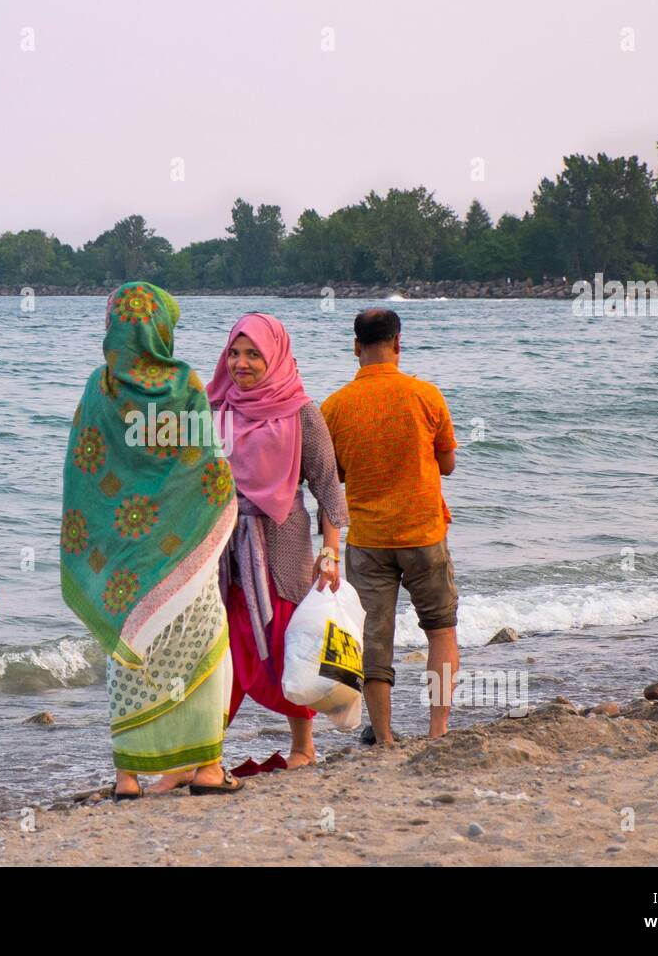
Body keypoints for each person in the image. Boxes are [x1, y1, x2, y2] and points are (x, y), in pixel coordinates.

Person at [60, 281, 243, 798]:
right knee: (201, 641)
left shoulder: (101, 388)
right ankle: (206, 768)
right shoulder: (185, 384)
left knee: (131, 648)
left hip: (122, 552)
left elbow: (84, 473)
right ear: (162, 328)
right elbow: (206, 471)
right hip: (183, 545)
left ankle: (128, 778)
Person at [206, 312, 348, 770]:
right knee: (221, 646)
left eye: (253, 355)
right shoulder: (216, 409)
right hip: (224, 551)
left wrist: (331, 552)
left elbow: (327, 487)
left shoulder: (302, 413)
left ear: (276, 356)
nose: (241, 364)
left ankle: (304, 746)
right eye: (234, 353)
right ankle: (205, 752)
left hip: (282, 551)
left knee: (287, 641)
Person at [321, 309, 459, 742]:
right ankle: (438, 730)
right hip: (423, 532)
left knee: (374, 641)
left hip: (367, 540)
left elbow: (334, 476)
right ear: (398, 344)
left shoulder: (335, 407)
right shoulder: (426, 395)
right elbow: (448, 464)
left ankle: (384, 737)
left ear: (356, 346)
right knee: (440, 630)